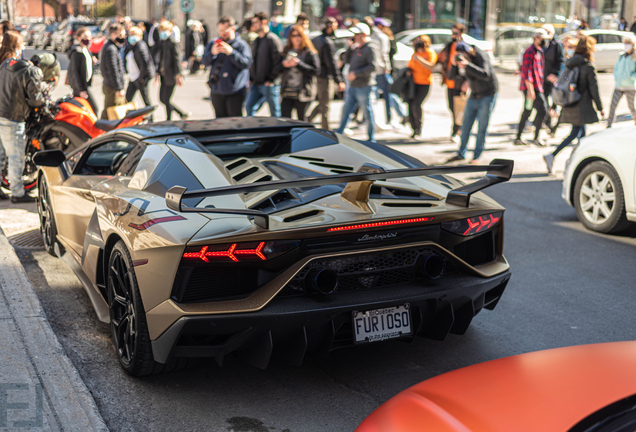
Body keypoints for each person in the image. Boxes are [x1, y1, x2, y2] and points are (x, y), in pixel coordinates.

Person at [543, 35, 604, 174]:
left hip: (569, 104)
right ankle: (556, 157)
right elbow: (594, 89)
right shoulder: (588, 66)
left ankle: (571, 161)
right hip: (581, 106)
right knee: (577, 134)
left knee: (580, 134)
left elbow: (562, 85)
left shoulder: (570, 64)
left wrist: (554, 104)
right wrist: (600, 108)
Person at [0, 31, 44, 202]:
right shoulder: (26, 68)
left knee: (2, 156)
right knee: (15, 157)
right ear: (17, 46)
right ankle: (17, 193)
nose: (24, 47)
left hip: (1, 114)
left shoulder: (4, 65)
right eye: (22, 44)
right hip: (13, 118)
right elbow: (35, 100)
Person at [446, 41, 498, 163]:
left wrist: (468, 65)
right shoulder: (463, 60)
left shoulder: (481, 56)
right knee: (465, 125)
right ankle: (461, 153)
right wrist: (454, 65)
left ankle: (477, 155)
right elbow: (451, 77)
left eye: (463, 54)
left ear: (469, 52)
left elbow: (486, 74)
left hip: (487, 94)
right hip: (474, 95)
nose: (461, 57)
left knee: (481, 127)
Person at [202, 15, 252, 117]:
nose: (222, 33)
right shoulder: (214, 43)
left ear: (233, 28)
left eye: (225, 30)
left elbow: (247, 63)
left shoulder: (241, 45)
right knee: (219, 122)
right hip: (217, 90)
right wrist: (212, 53)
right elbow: (204, 62)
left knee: (234, 121)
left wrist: (232, 52)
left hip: (235, 91)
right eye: (220, 31)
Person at [336, 23, 376, 142]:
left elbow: (373, 66)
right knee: (346, 111)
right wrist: (349, 47)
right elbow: (346, 60)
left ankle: (371, 138)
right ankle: (339, 134)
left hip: (364, 86)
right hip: (353, 86)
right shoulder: (356, 47)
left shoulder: (370, 48)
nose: (354, 37)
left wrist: (356, 74)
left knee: (367, 112)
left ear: (363, 35)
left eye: (356, 34)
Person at [307, 17, 345, 129]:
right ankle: (325, 129)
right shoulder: (326, 42)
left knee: (322, 102)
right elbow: (331, 63)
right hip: (325, 76)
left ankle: (308, 119)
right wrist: (339, 80)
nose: (336, 28)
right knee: (325, 104)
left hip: (317, 75)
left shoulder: (317, 39)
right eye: (335, 25)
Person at [515, 28, 550, 146]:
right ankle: (533, 137)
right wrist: (530, 90)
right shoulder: (529, 51)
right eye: (542, 39)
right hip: (531, 88)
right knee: (542, 110)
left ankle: (520, 137)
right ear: (536, 38)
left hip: (536, 86)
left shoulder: (539, 51)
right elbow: (527, 72)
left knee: (528, 111)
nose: (544, 41)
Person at [245, 12, 284, 117]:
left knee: (274, 113)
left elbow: (279, 62)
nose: (254, 25)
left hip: (269, 84)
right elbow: (254, 61)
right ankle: (251, 131)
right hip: (256, 83)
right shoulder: (257, 40)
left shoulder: (272, 39)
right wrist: (251, 78)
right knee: (249, 107)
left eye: (256, 22)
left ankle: (277, 132)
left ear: (264, 22)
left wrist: (271, 79)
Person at [280, 24, 320, 120]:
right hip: (287, 91)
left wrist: (299, 64)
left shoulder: (309, 52)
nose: (296, 38)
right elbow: (277, 69)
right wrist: (284, 65)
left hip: (302, 92)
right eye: (293, 36)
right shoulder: (286, 51)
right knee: (284, 121)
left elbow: (316, 70)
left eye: (299, 35)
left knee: (301, 121)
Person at [375, 17, 407, 127]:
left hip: (385, 69)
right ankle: (396, 116)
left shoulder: (386, 38)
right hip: (383, 69)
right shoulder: (382, 37)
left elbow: (389, 53)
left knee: (390, 94)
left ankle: (401, 115)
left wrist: (387, 67)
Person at [437, 23, 466, 141]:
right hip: (449, 81)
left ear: (461, 34)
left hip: (459, 82)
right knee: (451, 107)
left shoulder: (464, 46)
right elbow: (440, 58)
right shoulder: (449, 46)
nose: (453, 35)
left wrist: (466, 82)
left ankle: (457, 131)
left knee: (458, 108)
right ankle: (458, 129)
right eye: (452, 33)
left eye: (456, 33)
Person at [156, 20, 189, 120]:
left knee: (166, 99)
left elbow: (177, 59)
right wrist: (157, 72)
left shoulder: (173, 43)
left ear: (170, 31)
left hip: (171, 75)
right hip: (163, 75)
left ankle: (169, 118)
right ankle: (181, 113)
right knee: (162, 98)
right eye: (161, 31)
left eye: (164, 30)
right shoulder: (162, 43)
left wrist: (179, 74)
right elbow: (160, 59)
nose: (162, 33)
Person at [406, 35, 436, 138]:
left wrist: (419, 59)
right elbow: (409, 66)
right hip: (413, 84)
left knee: (416, 104)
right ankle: (414, 128)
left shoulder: (429, 53)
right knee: (410, 105)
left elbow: (431, 67)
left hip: (424, 83)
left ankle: (419, 127)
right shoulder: (415, 53)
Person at [606, 34, 636, 128]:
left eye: (628, 43)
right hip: (619, 85)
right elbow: (616, 68)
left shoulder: (634, 56)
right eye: (625, 43)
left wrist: (631, 77)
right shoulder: (621, 55)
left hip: (629, 86)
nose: (626, 45)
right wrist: (616, 75)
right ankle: (609, 124)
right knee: (612, 106)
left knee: (631, 106)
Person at [67, 27, 98, 114]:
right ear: (79, 38)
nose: (88, 39)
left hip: (85, 85)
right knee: (93, 109)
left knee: (84, 110)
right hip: (80, 87)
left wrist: (92, 62)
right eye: (85, 36)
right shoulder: (77, 52)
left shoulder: (86, 50)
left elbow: (85, 66)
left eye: (89, 37)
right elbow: (75, 72)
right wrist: (81, 90)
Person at [541, 24, 564, 135]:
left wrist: (555, 74)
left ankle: (552, 125)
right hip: (543, 78)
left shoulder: (557, 44)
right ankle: (546, 122)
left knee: (555, 101)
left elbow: (561, 60)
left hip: (552, 78)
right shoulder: (542, 44)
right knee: (543, 101)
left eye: (548, 32)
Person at [99, 24, 126, 119]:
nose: (122, 38)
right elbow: (113, 71)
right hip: (112, 88)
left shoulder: (112, 47)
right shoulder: (111, 49)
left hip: (111, 86)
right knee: (111, 112)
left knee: (110, 110)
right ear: (112, 35)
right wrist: (119, 88)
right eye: (120, 35)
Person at [124, 26, 155, 108]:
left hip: (140, 77)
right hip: (133, 76)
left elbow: (145, 64)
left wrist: (141, 78)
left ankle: (150, 118)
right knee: (127, 98)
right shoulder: (131, 47)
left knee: (145, 98)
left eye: (134, 34)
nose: (131, 37)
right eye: (130, 35)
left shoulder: (140, 46)